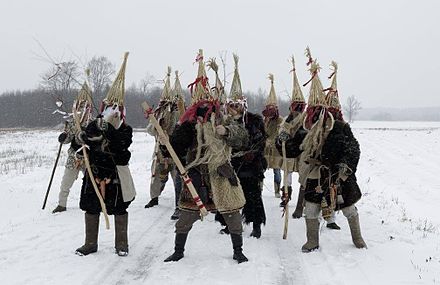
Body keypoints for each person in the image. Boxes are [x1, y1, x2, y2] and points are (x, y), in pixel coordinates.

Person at [162, 50, 249, 263]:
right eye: (200, 108)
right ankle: (178, 251)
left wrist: (227, 132)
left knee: (233, 217)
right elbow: (175, 147)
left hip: (221, 174)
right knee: (185, 217)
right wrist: (169, 144)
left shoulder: (224, 120)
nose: (205, 111)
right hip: (197, 174)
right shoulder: (188, 125)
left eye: (207, 107)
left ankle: (238, 251)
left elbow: (243, 138)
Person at [280, 55, 366, 252]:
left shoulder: (341, 128)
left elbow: (353, 148)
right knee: (311, 208)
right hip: (315, 175)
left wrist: (345, 166)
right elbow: (295, 149)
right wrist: (283, 141)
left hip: (338, 175)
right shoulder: (307, 129)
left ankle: (357, 238)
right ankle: (312, 241)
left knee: (348, 207)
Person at [75, 52, 136, 257]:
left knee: (119, 209)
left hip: (116, 174)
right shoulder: (95, 123)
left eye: (116, 109)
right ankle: (90, 244)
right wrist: (86, 134)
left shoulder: (125, 129)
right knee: (91, 208)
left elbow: (122, 147)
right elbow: (84, 140)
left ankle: (121, 245)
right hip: (95, 171)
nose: (113, 112)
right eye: (110, 108)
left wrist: (109, 130)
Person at [214, 55, 267, 238]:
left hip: (251, 166)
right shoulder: (225, 121)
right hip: (232, 165)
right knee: (230, 195)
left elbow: (260, 141)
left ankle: (256, 225)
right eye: (231, 106)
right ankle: (231, 225)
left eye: (237, 106)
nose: (234, 109)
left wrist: (251, 154)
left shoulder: (254, 120)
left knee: (253, 196)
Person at [144, 67, 182, 220]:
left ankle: (179, 205)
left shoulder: (179, 114)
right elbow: (150, 130)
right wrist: (157, 126)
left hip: (175, 153)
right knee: (157, 177)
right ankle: (154, 198)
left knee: (178, 179)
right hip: (160, 152)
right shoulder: (158, 114)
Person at [52, 82, 93, 214]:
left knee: (91, 182)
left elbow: (97, 139)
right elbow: (68, 137)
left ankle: (92, 203)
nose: (81, 108)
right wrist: (64, 137)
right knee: (66, 182)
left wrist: (87, 138)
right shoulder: (71, 122)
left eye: (84, 105)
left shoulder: (93, 122)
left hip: (89, 157)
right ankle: (61, 204)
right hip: (74, 156)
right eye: (79, 105)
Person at [262, 74, 284, 198]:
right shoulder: (264, 120)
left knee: (277, 170)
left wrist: (273, 140)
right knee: (261, 169)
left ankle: (277, 190)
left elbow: (280, 133)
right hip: (265, 149)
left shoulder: (280, 120)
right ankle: (259, 188)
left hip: (276, 149)